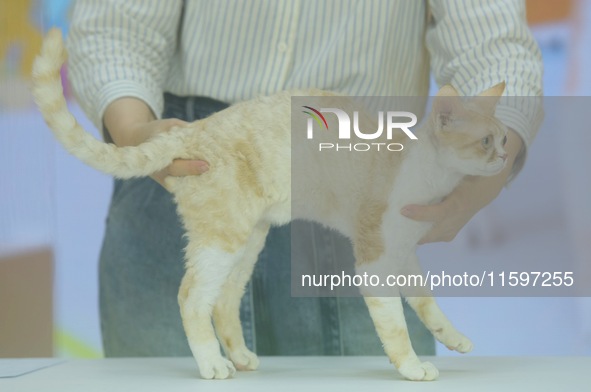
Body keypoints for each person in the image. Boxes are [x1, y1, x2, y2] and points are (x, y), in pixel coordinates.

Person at [66, 0, 543, 357]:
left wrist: (477, 181)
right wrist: (131, 131)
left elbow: (492, 41)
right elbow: (117, 21)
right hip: (188, 159)